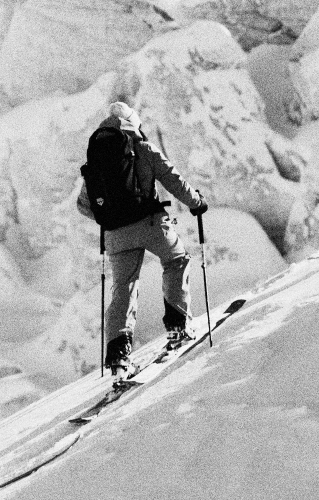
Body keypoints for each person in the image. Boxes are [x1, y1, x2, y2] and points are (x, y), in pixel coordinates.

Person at [77, 102, 208, 374]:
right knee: (176, 260)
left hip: (115, 235)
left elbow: (83, 205)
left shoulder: (96, 158)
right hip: (150, 223)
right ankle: (178, 326)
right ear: (134, 124)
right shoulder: (143, 149)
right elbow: (173, 179)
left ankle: (118, 360)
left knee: (123, 288)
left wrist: (110, 218)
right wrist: (196, 202)